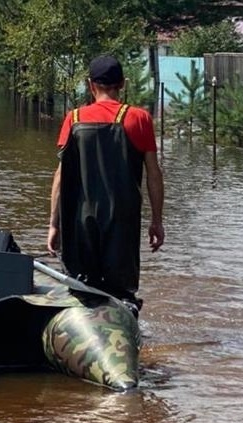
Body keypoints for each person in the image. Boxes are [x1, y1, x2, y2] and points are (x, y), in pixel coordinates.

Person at [47, 54, 165, 312]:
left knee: (81, 288)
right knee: (122, 292)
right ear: (122, 84)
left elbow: (60, 175)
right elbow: (154, 174)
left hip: (80, 221)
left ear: (91, 85)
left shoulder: (74, 118)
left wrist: (54, 224)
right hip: (122, 221)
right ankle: (124, 326)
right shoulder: (139, 118)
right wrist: (156, 221)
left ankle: (82, 331)